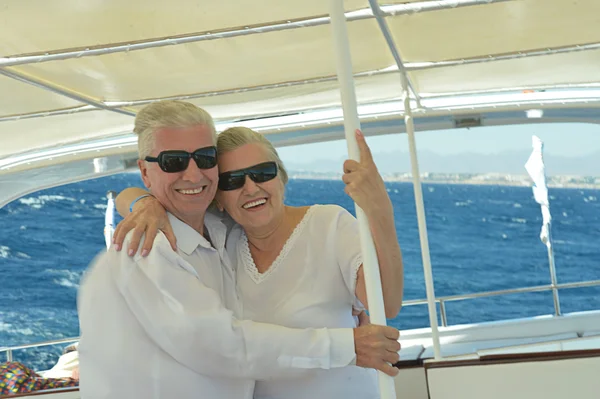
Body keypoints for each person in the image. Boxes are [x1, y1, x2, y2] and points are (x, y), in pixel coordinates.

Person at [78, 100, 401, 399]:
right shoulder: (148, 246)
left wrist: (379, 210)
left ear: (282, 177)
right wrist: (347, 345)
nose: (251, 187)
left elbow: (385, 302)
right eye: (173, 161)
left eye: (204, 159)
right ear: (146, 171)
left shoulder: (225, 234)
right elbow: (219, 346)